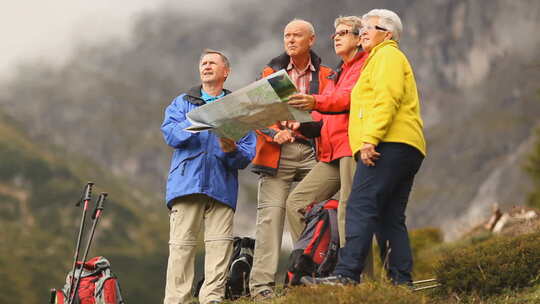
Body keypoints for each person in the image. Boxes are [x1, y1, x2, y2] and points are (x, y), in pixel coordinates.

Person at [310, 9, 427, 285]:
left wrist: (370, 139)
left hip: (387, 143)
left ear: (387, 33)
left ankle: (347, 274)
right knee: (390, 218)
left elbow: (387, 99)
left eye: (368, 28)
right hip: (406, 146)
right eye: (361, 28)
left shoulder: (386, 56)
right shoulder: (381, 58)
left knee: (359, 207)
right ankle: (401, 281)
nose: (362, 32)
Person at [161, 49, 256, 304]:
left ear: (226, 71)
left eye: (212, 63)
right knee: (181, 248)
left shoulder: (237, 109)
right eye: (203, 63)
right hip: (186, 184)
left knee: (220, 246)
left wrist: (230, 149)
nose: (206, 66)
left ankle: (211, 299)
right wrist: (196, 123)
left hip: (221, 185)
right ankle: (176, 300)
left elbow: (246, 155)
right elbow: (170, 133)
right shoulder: (183, 102)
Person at [249, 19, 333, 300]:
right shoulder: (270, 72)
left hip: (313, 151)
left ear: (311, 39)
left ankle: (308, 277)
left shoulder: (326, 74)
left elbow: (330, 114)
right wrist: (275, 133)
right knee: (270, 218)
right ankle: (262, 288)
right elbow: (256, 113)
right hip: (277, 154)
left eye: (297, 35)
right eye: (287, 35)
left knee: (316, 212)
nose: (291, 39)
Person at [284, 16, 374, 279]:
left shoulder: (363, 66)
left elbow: (345, 100)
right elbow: (322, 119)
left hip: (351, 146)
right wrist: (299, 125)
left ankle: (356, 279)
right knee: (296, 203)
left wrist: (313, 100)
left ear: (359, 38)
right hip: (330, 152)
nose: (336, 37)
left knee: (349, 210)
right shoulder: (338, 73)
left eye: (344, 32)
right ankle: (311, 266)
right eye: (335, 33)